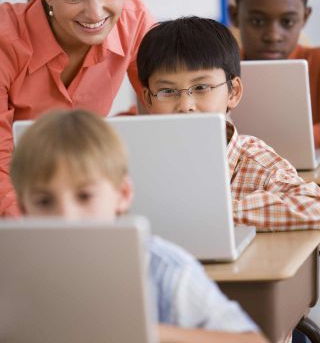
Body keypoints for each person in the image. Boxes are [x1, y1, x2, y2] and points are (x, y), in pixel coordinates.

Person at [10, 109, 267, 343]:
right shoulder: (13, 276)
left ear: (123, 194)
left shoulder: (164, 270)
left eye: (84, 197)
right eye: (44, 201)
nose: (66, 217)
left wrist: (147, 333)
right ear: (23, 209)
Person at [0, 0, 155, 217]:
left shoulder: (134, 21)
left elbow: (166, 113)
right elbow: (1, 160)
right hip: (23, 208)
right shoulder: (6, 39)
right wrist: (46, 229)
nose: (95, 14)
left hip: (85, 206)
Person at [137, 16, 320, 231]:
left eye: (201, 87)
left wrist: (216, 213)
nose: (185, 105)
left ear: (233, 92)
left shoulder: (254, 161)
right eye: (168, 91)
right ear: (148, 99)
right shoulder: (138, 162)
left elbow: (314, 205)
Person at [227, 0, 320, 148]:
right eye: (257, 21)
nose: (273, 35)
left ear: (305, 17)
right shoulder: (219, 71)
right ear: (235, 16)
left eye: (287, 22)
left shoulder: (317, 62)